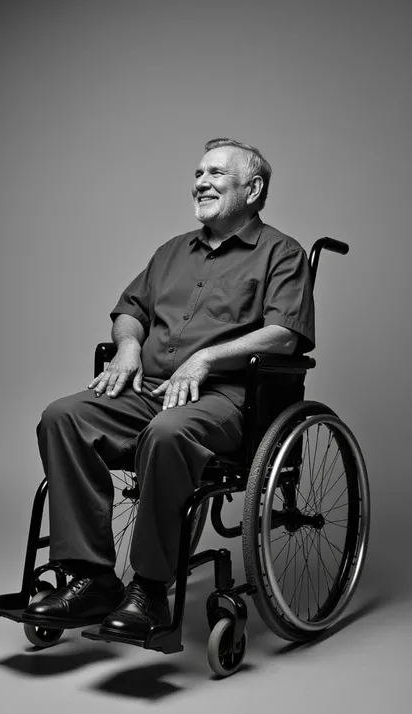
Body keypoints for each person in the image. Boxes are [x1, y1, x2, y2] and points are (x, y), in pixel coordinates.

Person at [23, 137, 315, 641]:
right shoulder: (172, 251)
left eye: (216, 174)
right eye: (198, 173)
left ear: (254, 188)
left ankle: (150, 591)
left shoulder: (281, 254)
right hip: (152, 389)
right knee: (63, 416)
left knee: (167, 433)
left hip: (227, 400)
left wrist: (204, 358)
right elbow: (129, 311)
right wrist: (129, 347)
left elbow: (285, 334)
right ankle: (91, 578)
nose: (200, 182)